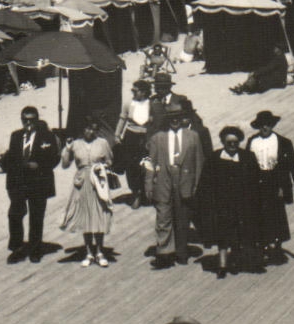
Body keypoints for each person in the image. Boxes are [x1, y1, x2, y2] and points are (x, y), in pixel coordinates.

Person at [195, 126, 262, 277]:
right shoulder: (214, 158)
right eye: (229, 142)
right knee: (223, 235)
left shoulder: (247, 157)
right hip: (221, 205)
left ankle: (236, 262)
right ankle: (222, 265)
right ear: (223, 142)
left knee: (239, 234)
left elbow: (255, 180)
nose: (232, 145)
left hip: (242, 204)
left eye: (235, 142)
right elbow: (205, 182)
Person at [143, 107, 204, 269]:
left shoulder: (193, 137)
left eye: (178, 117)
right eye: (171, 118)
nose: (175, 120)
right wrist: (149, 183)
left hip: (185, 181)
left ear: (182, 118)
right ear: (167, 120)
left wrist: (197, 185)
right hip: (164, 181)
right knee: (163, 218)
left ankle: (181, 252)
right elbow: (150, 163)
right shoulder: (158, 138)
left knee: (182, 218)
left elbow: (199, 163)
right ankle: (164, 253)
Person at [0, 106, 61, 262]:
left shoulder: (47, 136)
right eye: (25, 120)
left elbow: (54, 158)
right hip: (19, 182)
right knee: (15, 214)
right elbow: (11, 156)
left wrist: (39, 165)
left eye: (32, 120)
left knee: (36, 216)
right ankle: (17, 248)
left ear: (37, 120)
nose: (28, 123)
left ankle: (35, 249)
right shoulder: (16, 136)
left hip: (38, 182)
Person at [247, 110, 294, 263]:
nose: (265, 127)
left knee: (276, 214)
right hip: (257, 181)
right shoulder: (253, 141)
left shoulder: (282, 142)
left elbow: (291, 165)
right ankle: (262, 246)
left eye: (268, 124)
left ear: (272, 125)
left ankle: (277, 246)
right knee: (259, 213)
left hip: (275, 181)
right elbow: (246, 163)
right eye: (262, 125)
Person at [60, 120, 115, 267]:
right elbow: (65, 165)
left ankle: (100, 251)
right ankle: (89, 252)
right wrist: (67, 149)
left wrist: (101, 166)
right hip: (82, 182)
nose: (90, 132)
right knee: (86, 216)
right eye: (87, 129)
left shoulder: (102, 143)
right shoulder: (75, 144)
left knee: (99, 215)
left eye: (93, 129)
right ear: (82, 130)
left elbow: (109, 161)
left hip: (98, 182)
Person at [113, 79, 154, 208]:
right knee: (131, 167)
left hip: (146, 137)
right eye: (132, 90)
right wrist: (117, 135)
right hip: (131, 137)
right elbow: (122, 119)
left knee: (147, 165)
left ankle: (146, 193)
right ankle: (136, 193)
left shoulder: (151, 104)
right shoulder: (128, 104)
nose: (133, 93)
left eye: (135, 91)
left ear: (144, 92)